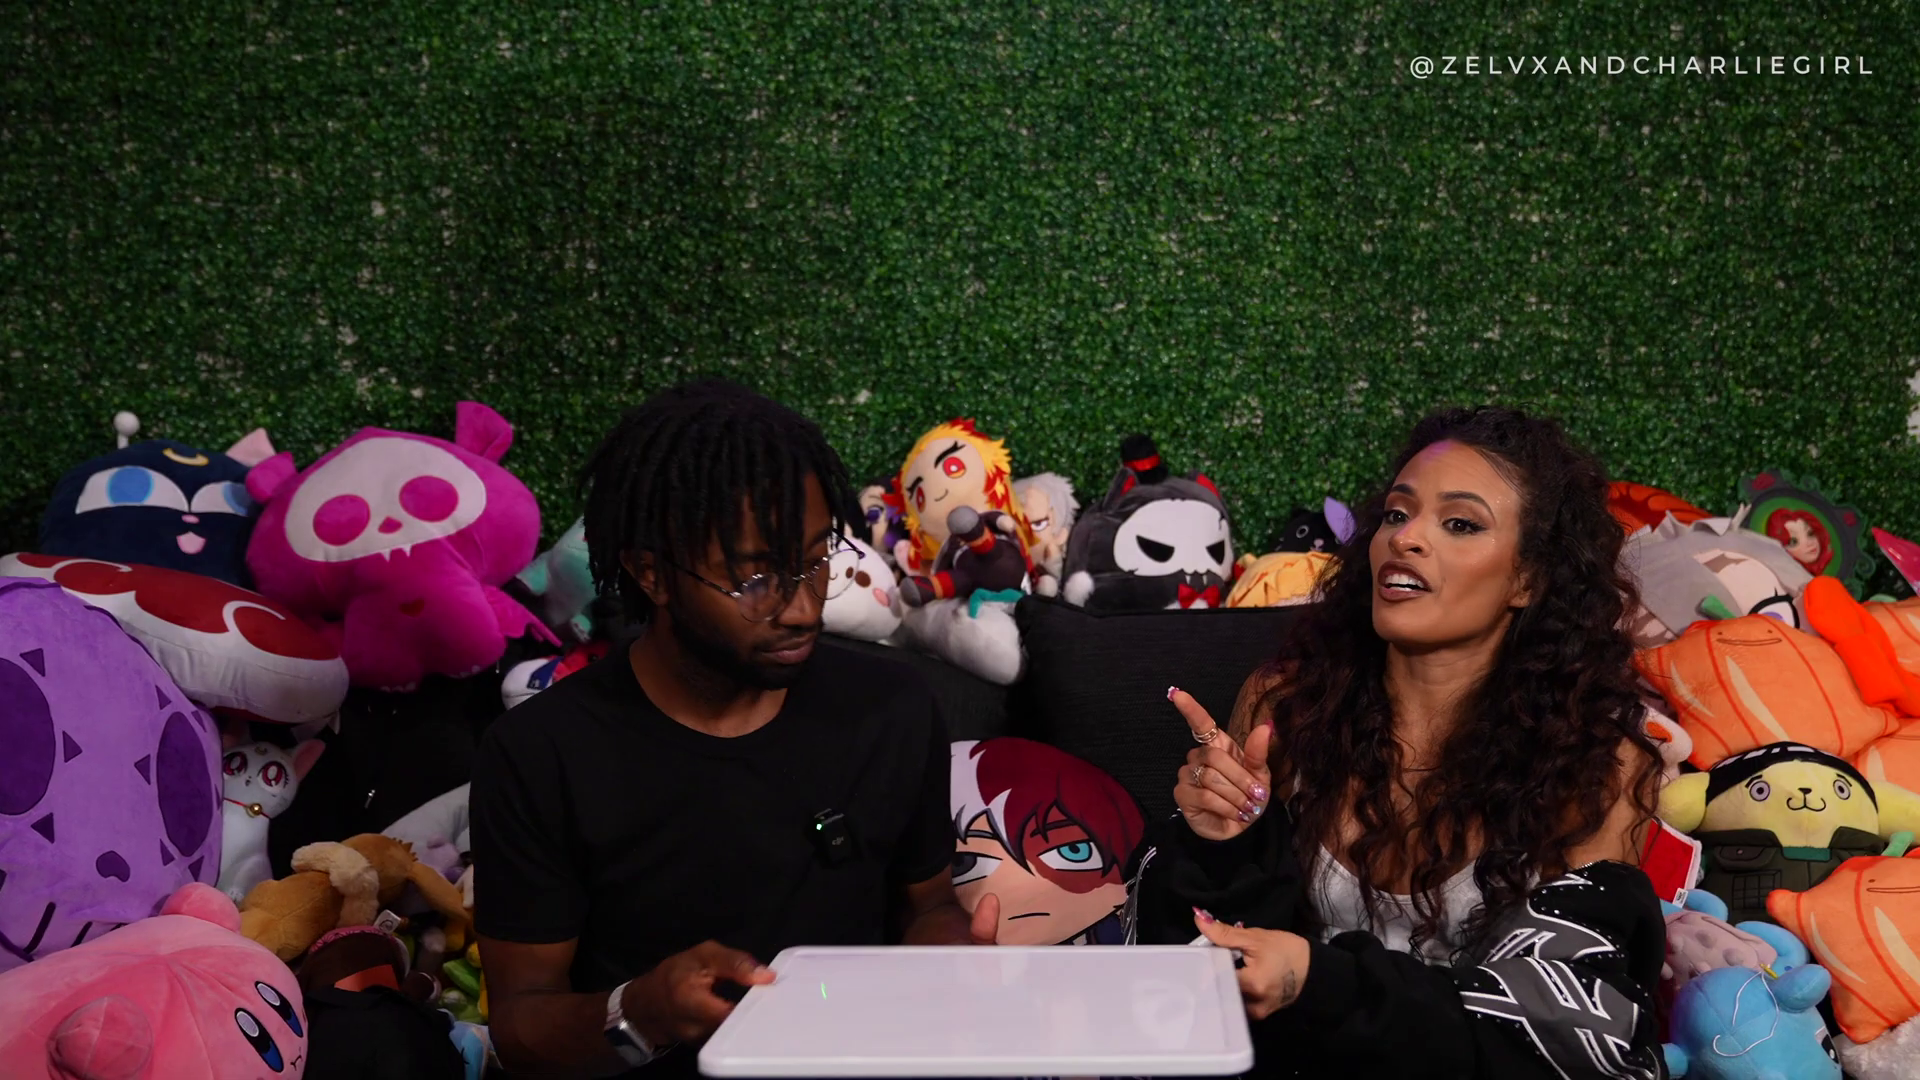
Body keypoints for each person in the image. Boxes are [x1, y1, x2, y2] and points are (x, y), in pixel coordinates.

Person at [471, 380, 998, 1080]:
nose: (803, 609)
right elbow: (519, 1028)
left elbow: (927, 904)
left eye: (815, 560)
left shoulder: (893, 709)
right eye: (754, 580)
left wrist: (949, 953)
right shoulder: (539, 755)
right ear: (652, 574)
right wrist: (639, 1013)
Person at [1131, 406, 1670, 1079]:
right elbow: (1204, 975)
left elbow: (1563, 1039)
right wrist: (1223, 846)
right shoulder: (1287, 706)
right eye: (1396, 513)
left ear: (1529, 579)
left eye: (1460, 523)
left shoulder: (1598, 764)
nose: (1406, 538)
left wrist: (1321, 981)